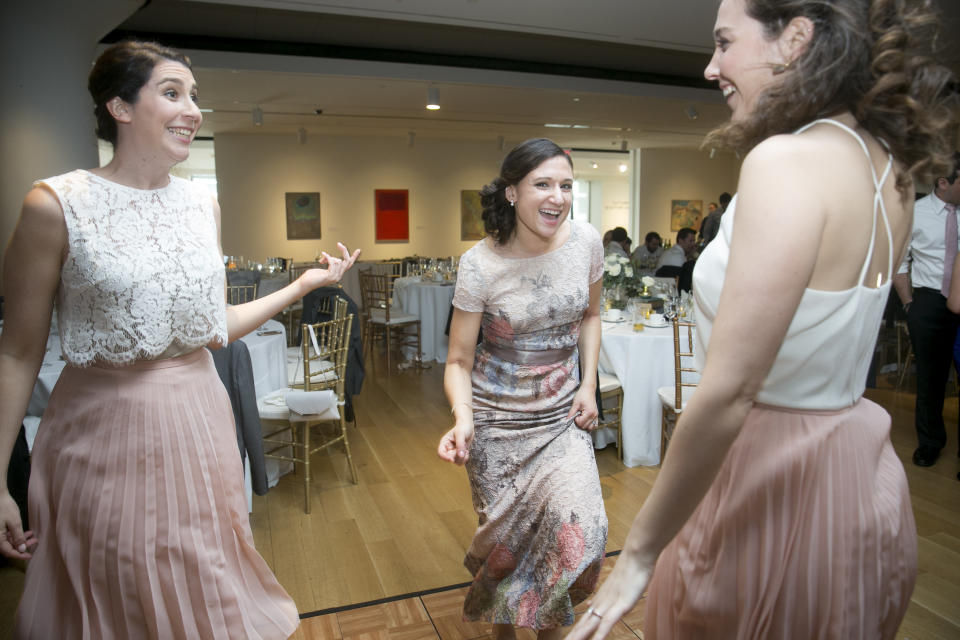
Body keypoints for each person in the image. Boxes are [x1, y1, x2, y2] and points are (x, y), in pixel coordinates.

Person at [568, 0, 954, 638]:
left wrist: (639, 552)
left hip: (771, 474)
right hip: (853, 468)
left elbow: (730, 390)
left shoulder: (787, 161)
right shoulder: (890, 167)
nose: (710, 67)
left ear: (795, 39)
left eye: (724, 42)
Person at [0, 40, 360, 638]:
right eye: (172, 94)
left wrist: (304, 284)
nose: (192, 109)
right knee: (117, 584)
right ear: (119, 106)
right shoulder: (56, 203)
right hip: (101, 430)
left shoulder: (201, 203)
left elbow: (213, 325)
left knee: (203, 574)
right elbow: (17, 353)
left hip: (199, 417)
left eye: (194, 96)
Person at [437, 138, 608, 640]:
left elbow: (593, 315)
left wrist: (588, 384)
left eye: (566, 185)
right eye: (543, 184)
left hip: (561, 417)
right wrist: (463, 417)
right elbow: (457, 360)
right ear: (512, 193)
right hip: (497, 423)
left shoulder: (587, 243)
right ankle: (505, 630)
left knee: (581, 530)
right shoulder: (480, 264)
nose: (558, 196)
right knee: (509, 549)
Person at [894, 152, 960, 468]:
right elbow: (899, 262)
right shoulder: (915, 213)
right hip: (928, 301)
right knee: (930, 380)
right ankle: (930, 443)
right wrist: (909, 304)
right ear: (943, 182)